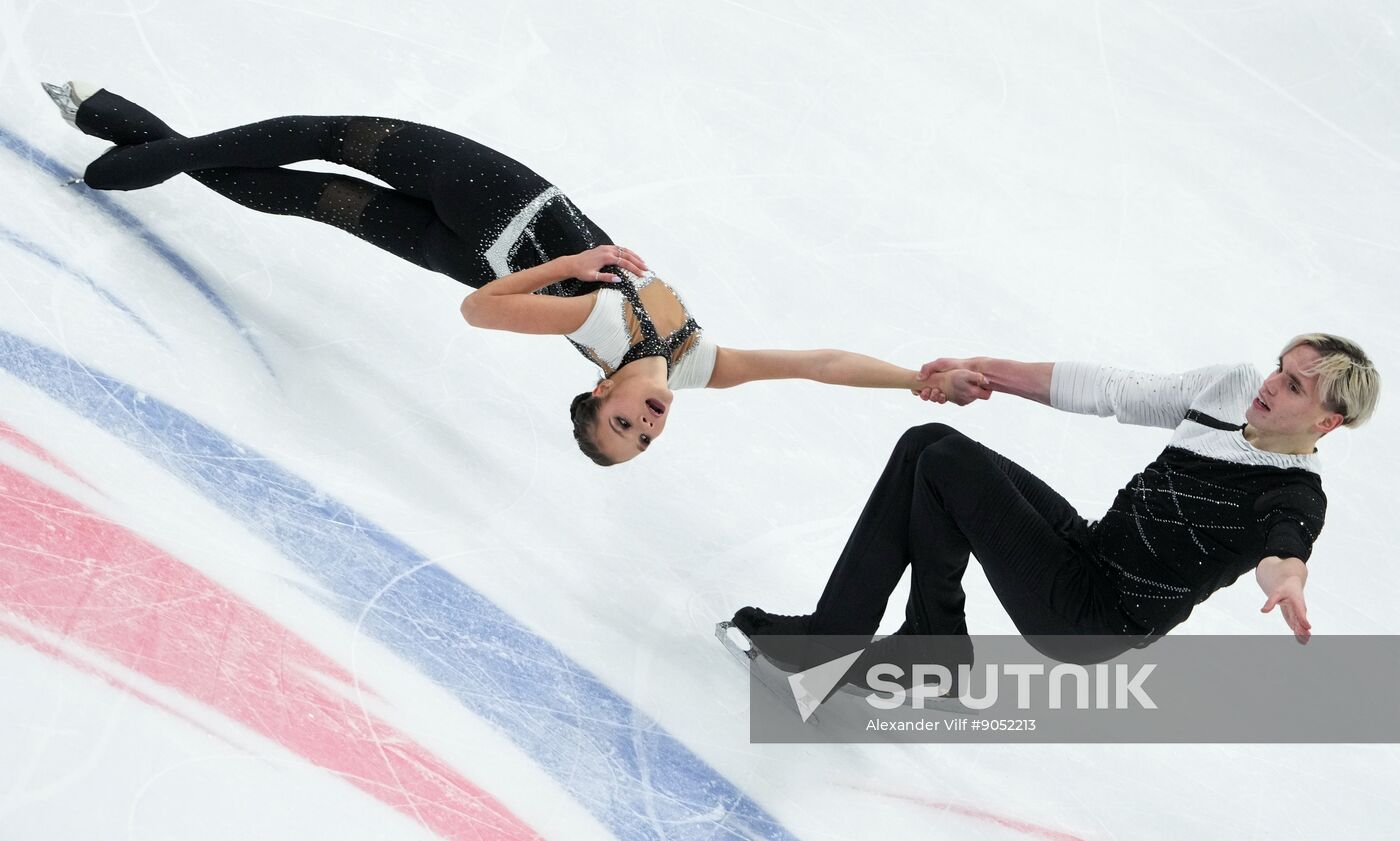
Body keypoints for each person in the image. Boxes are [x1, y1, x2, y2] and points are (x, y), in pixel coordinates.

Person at [41, 81, 990, 466]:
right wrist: (913, 379)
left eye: (620, 426)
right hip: (505, 195)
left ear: (601, 393)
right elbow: (821, 363)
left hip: (497, 230)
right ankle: (132, 131)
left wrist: (584, 266)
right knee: (328, 140)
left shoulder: (590, 337)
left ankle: (127, 137)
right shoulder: (700, 366)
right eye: (643, 434)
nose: (645, 420)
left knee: (314, 194)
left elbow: (478, 307)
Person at [730, 334, 1380, 684]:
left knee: (949, 465)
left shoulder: (1292, 492)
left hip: (1097, 617)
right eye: (1280, 368)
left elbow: (1285, 545)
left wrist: (1287, 579)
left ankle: (852, 642)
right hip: (1088, 549)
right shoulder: (1233, 388)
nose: (1271, 384)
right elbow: (1116, 390)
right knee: (929, 447)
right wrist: (984, 368)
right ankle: (922, 642)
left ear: (1327, 421)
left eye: (1294, 386)